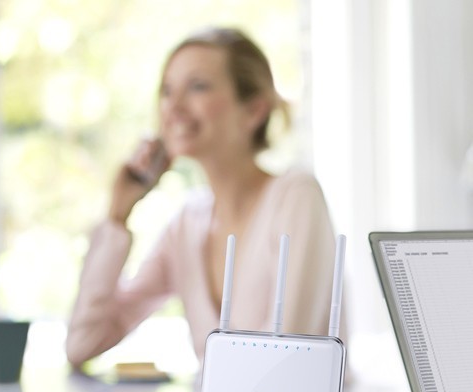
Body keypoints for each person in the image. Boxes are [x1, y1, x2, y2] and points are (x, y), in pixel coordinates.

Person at [66, 27, 340, 369]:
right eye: (167, 91)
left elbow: (288, 364)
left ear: (254, 110)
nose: (174, 107)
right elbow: (82, 344)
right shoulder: (187, 224)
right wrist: (117, 216)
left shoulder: (295, 198)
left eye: (197, 87)